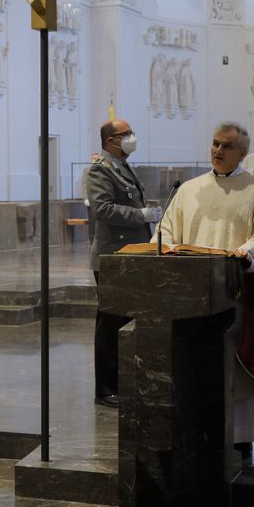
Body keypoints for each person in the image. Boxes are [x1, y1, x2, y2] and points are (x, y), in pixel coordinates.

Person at [155, 122, 254, 457]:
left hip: (236, 292)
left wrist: (246, 254)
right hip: (191, 296)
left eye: (227, 146)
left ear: (242, 152)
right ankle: (197, 431)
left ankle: (240, 438)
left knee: (234, 365)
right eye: (214, 144)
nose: (218, 151)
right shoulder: (189, 190)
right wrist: (164, 246)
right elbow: (166, 230)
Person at [86, 119, 160, 407]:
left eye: (131, 132)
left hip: (130, 255)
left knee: (125, 322)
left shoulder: (123, 167)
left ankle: (124, 382)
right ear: (110, 141)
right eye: (125, 134)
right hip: (112, 257)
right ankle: (105, 389)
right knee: (110, 325)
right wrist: (141, 215)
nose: (131, 138)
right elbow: (103, 209)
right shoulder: (100, 170)